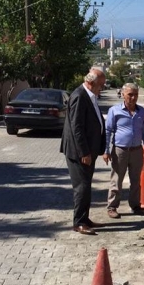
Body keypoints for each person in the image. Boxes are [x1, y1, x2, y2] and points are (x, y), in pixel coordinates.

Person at [60, 68, 107, 235]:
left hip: (89, 151)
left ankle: (85, 218)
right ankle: (79, 222)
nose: (102, 88)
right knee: (81, 187)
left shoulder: (90, 95)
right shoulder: (80, 96)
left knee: (86, 186)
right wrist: (84, 152)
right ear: (91, 82)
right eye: (100, 85)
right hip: (79, 152)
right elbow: (76, 127)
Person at [103, 83, 144, 218]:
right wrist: (106, 150)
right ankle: (112, 206)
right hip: (120, 151)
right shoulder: (115, 110)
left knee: (136, 180)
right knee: (116, 180)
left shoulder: (141, 112)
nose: (133, 97)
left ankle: (135, 205)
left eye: (135, 94)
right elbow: (108, 131)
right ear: (123, 95)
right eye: (130, 94)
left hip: (137, 151)